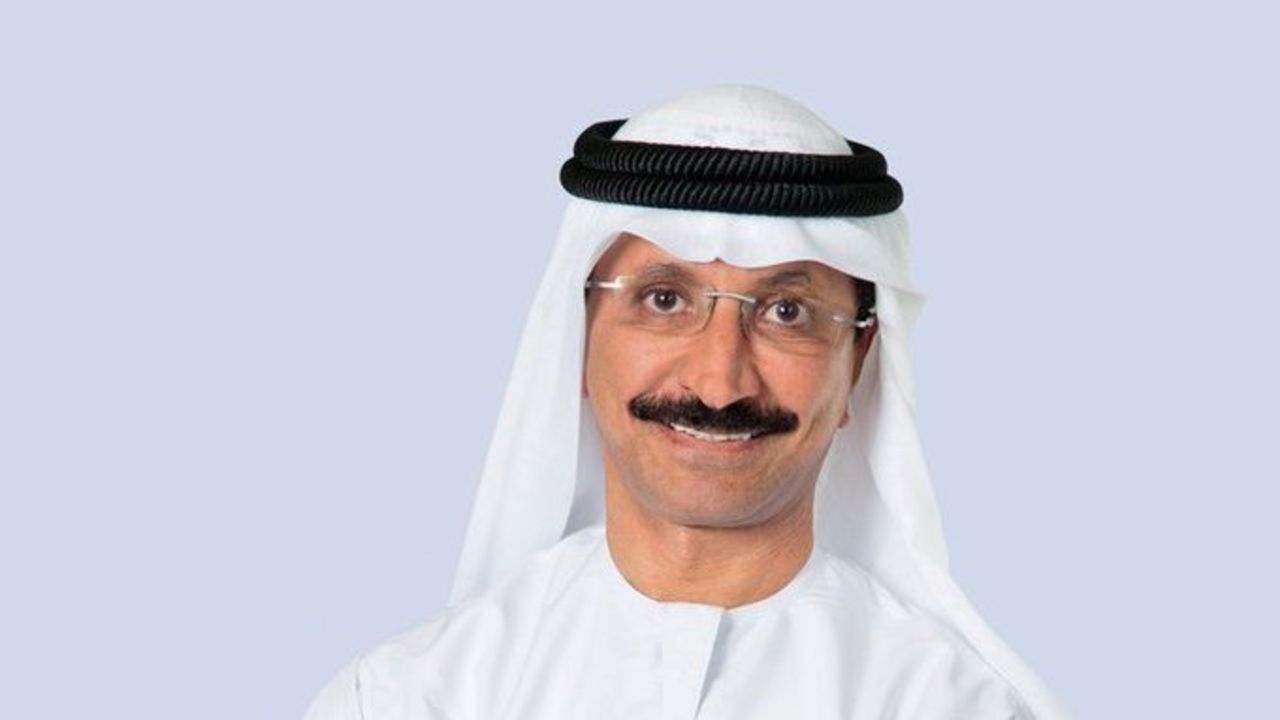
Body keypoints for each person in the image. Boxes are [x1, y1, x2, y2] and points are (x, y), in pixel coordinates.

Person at [304, 84, 1069, 719]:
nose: (718, 383)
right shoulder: (407, 699)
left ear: (857, 365)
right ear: (579, 334)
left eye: (787, 312)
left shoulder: (953, 705)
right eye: (664, 299)